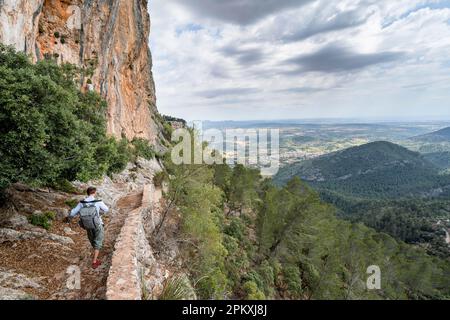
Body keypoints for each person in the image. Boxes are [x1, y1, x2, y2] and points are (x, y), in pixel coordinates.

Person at [69, 187, 109, 269]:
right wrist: (100, 213)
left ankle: (96, 254)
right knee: (98, 240)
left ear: (87, 193)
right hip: (97, 224)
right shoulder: (98, 202)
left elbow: (72, 213)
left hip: (87, 225)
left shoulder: (81, 203)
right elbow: (106, 209)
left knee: (93, 240)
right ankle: (94, 261)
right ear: (94, 193)